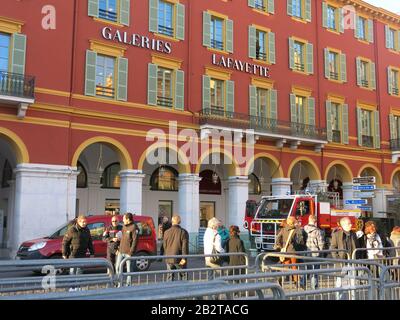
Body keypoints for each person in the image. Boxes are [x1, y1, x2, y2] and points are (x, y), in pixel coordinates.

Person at [330, 217, 363, 300]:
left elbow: (357, 247)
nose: (351, 225)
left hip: (352, 262)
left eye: (351, 223)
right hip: (342, 263)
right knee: (340, 284)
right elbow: (333, 248)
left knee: (352, 284)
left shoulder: (353, 234)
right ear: (343, 225)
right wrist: (338, 259)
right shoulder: (336, 234)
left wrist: (358, 258)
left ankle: (352, 298)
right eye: (349, 223)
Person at [274, 216, 305, 285]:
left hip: (285, 251)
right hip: (293, 251)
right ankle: (296, 281)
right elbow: (300, 241)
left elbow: (278, 239)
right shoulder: (296, 230)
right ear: (294, 222)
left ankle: (281, 279)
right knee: (294, 267)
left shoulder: (283, 230)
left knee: (286, 266)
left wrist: (282, 246)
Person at [163, 215, 189, 281]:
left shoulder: (166, 232)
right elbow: (184, 247)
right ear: (179, 221)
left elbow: (164, 246)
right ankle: (183, 290)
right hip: (180, 258)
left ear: (172, 221)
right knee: (183, 276)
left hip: (169, 258)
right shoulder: (183, 232)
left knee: (170, 277)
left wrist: (166, 255)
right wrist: (184, 259)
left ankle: (170, 290)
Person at [301, 215, 325, 289]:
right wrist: (322, 252)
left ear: (308, 220)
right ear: (315, 221)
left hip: (306, 252)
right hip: (315, 253)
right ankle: (314, 286)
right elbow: (321, 243)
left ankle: (303, 282)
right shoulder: (317, 231)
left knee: (307, 268)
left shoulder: (304, 229)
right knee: (315, 271)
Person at [115, 213, 138, 285]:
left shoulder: (134, 227)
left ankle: (128, 285)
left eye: (124, 219)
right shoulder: (124, 226)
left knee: (129, 270)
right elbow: (122, 238)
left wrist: (131, 252)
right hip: (121, 251)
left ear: (128, 219)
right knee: (117, 267)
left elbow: (135, 240)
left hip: (129, 253)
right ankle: (119, 283)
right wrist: (119, 247)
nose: (122, 220)